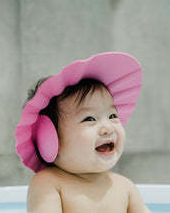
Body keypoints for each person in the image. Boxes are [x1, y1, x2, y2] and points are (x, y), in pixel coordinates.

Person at [15, 52, 151, 212]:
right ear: (49, 139)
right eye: (89, 119)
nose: (108, 128)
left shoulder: (125, 188)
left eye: (112, 116)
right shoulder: (50, 184)